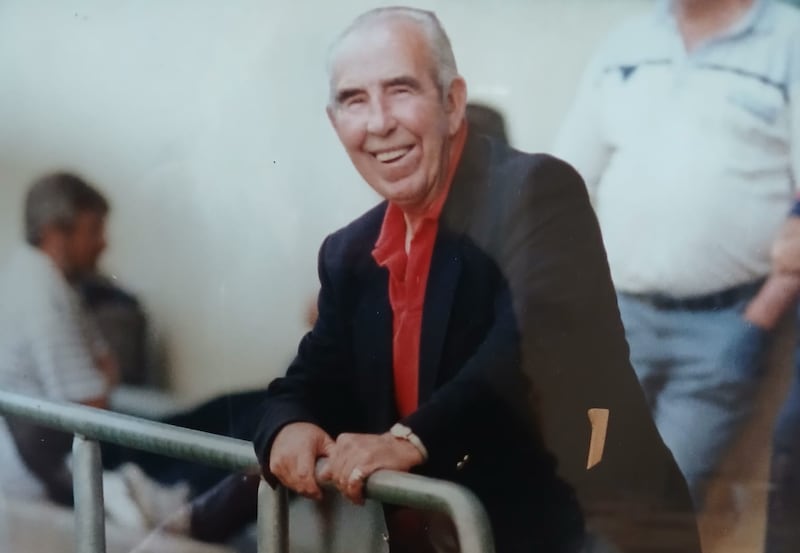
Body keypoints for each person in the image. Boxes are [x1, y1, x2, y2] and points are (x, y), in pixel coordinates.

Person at [253, 7, 700, 553]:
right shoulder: (350, 251)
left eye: (400, 90)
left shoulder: (536, 190)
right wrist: (288, 425)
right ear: (334, 122)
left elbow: (529, 346)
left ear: (452, 102)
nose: (378, 123)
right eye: (354, 100)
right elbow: (311, 375)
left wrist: (410, 439)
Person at [553, 0, 800, 507]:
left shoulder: (788, 40)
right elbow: (563, 181)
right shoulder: (627, 40)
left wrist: (757, 322)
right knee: (586, 493)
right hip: (618, 321)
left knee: (664, 506)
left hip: (724, 329)